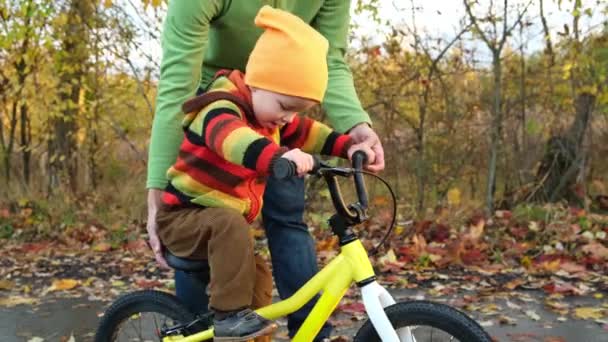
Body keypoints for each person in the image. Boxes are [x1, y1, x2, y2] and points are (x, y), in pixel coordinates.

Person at [147, 1, 385, 340]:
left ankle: (253, 332)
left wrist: (348, 143)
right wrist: (277, 159)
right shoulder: (218, 109)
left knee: (255, 275)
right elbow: (234, 141)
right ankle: (220, 320)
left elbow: (305, 129)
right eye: (285, 108)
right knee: (229, 230)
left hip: (224, 209)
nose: (288, 118)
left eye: (294, 110)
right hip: (186, 217)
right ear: (255, 83)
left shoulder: (271, 108)